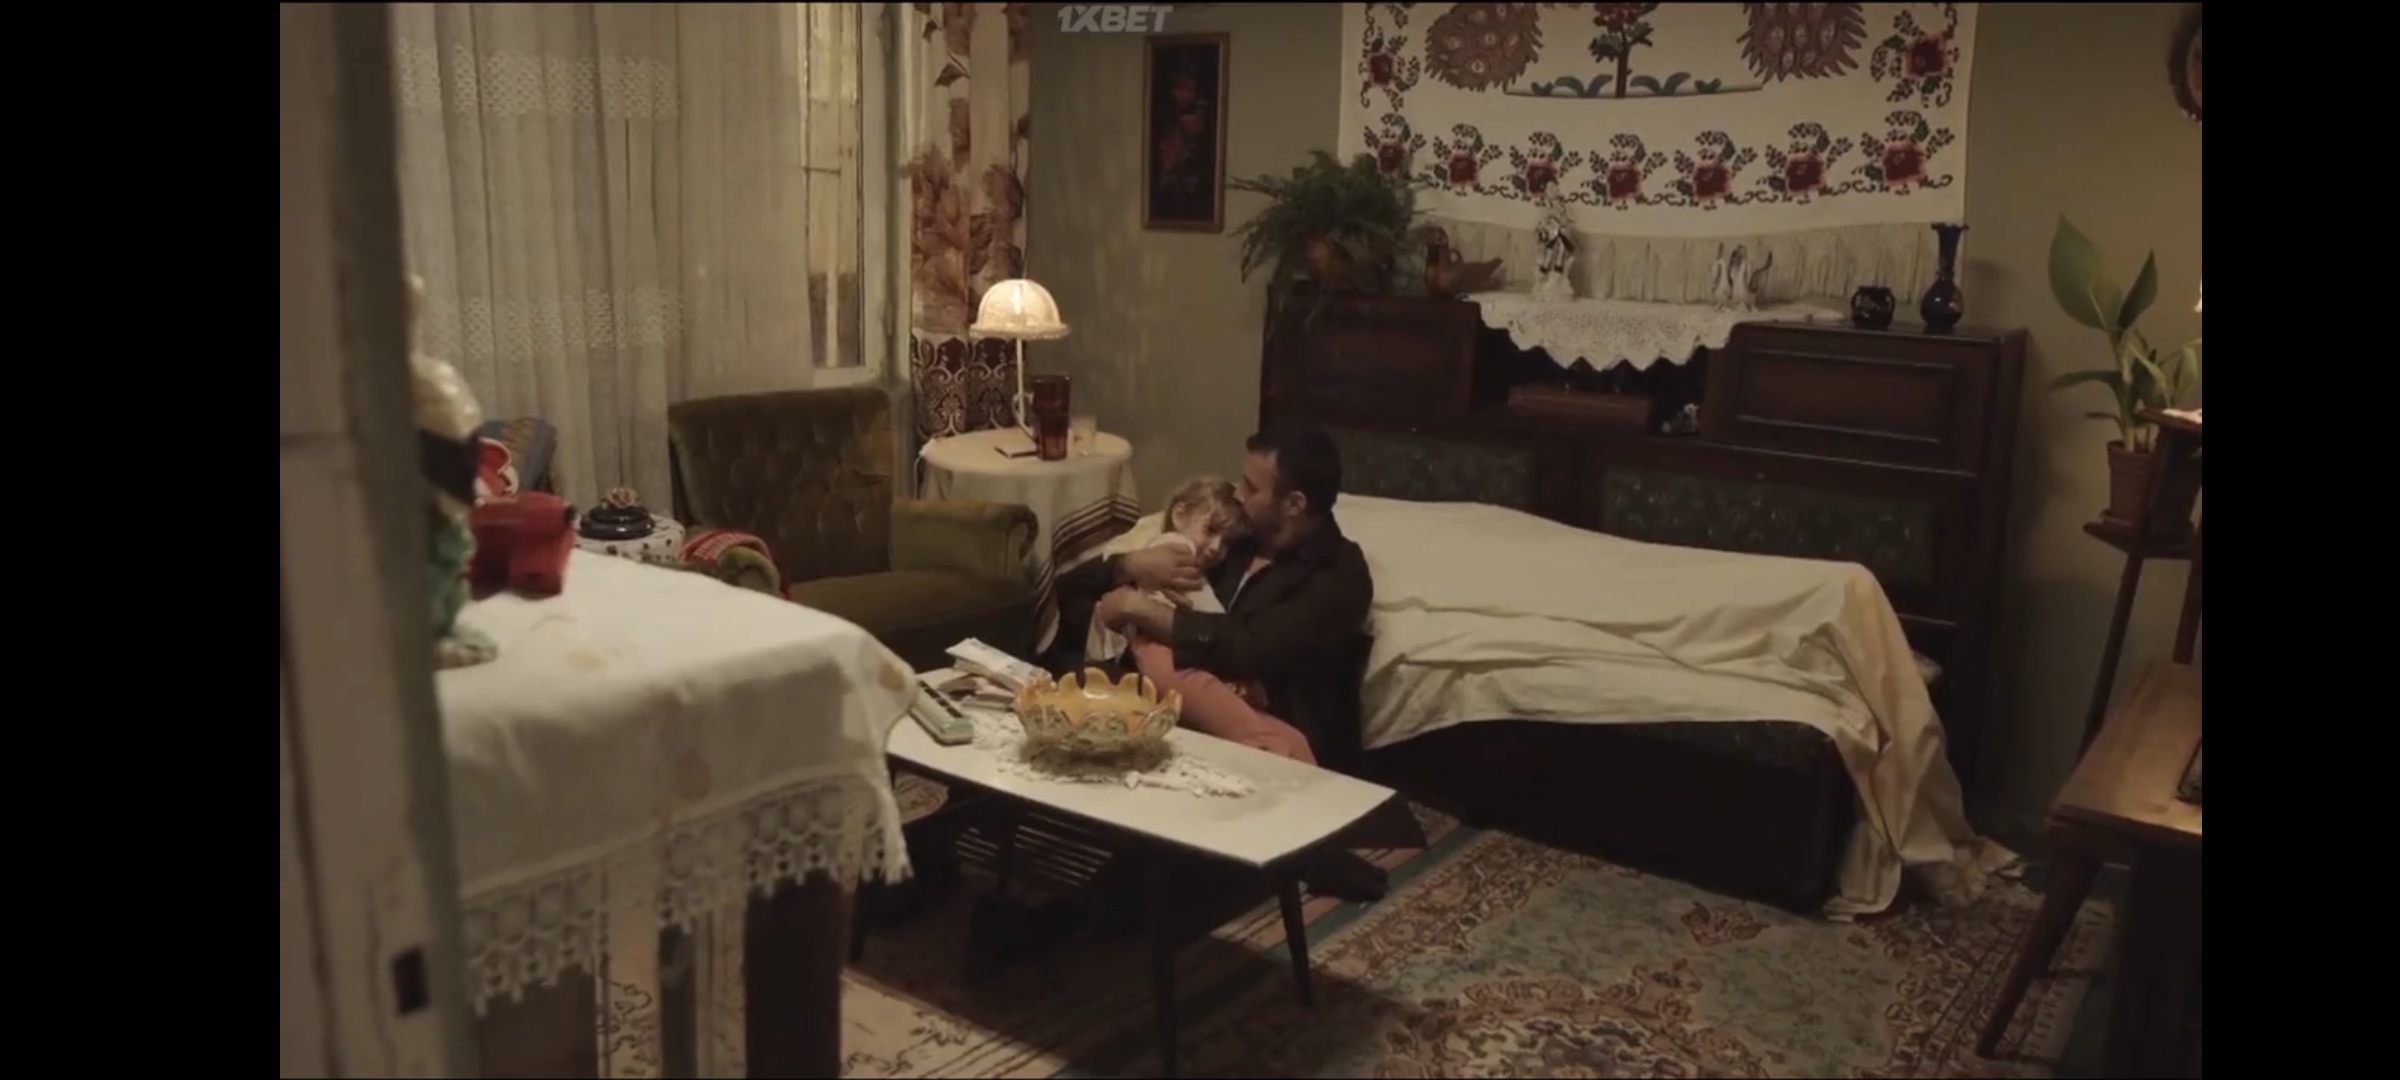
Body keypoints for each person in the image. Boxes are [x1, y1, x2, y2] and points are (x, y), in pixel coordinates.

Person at [1053, 423, 1392, 904]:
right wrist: (1128, 567)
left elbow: (1250, 647)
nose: (1238, 493)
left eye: (1252, 487)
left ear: (1294, 503)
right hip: (1171, 706)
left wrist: (1142, 610)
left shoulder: (1339, 575)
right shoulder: (1233, 540)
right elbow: (1067, 592)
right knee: (1061, 690)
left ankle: (1065, 920)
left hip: (1258, 730)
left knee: (1163, 856)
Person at [1084, 476, 1320, 764]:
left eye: (1226, 542)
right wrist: (1239, 672)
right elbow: (1205, 613)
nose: (1216, 547)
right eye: (1210, 530)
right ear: (1179, 515)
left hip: (1169, 653)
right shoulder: (1176, 549)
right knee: (1266, 738)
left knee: (1276, 736)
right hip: (1160, 651)